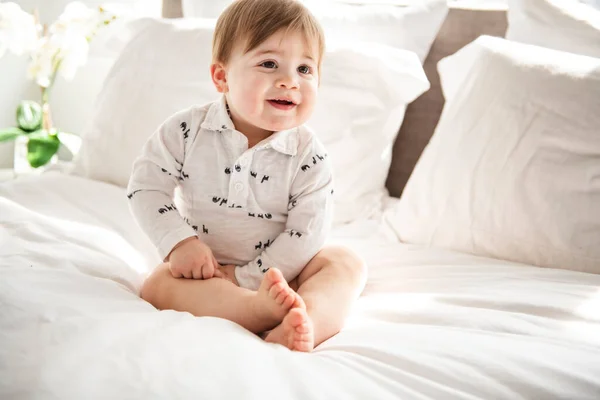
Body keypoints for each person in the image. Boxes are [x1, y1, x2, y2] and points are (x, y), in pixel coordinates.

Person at [127, 0, 366, 352]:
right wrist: (180, 242)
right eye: (269, 64)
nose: (289, 81)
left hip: (286, 273)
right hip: (207, 272)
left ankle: (305, 322)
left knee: (346, 263)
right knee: (158, 284)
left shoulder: (309, 155)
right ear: (222, 77)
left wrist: (250, 277)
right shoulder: (185, 131)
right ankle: (253, 311)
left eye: (305, 69)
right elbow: (147, 187)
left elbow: (306, 234)